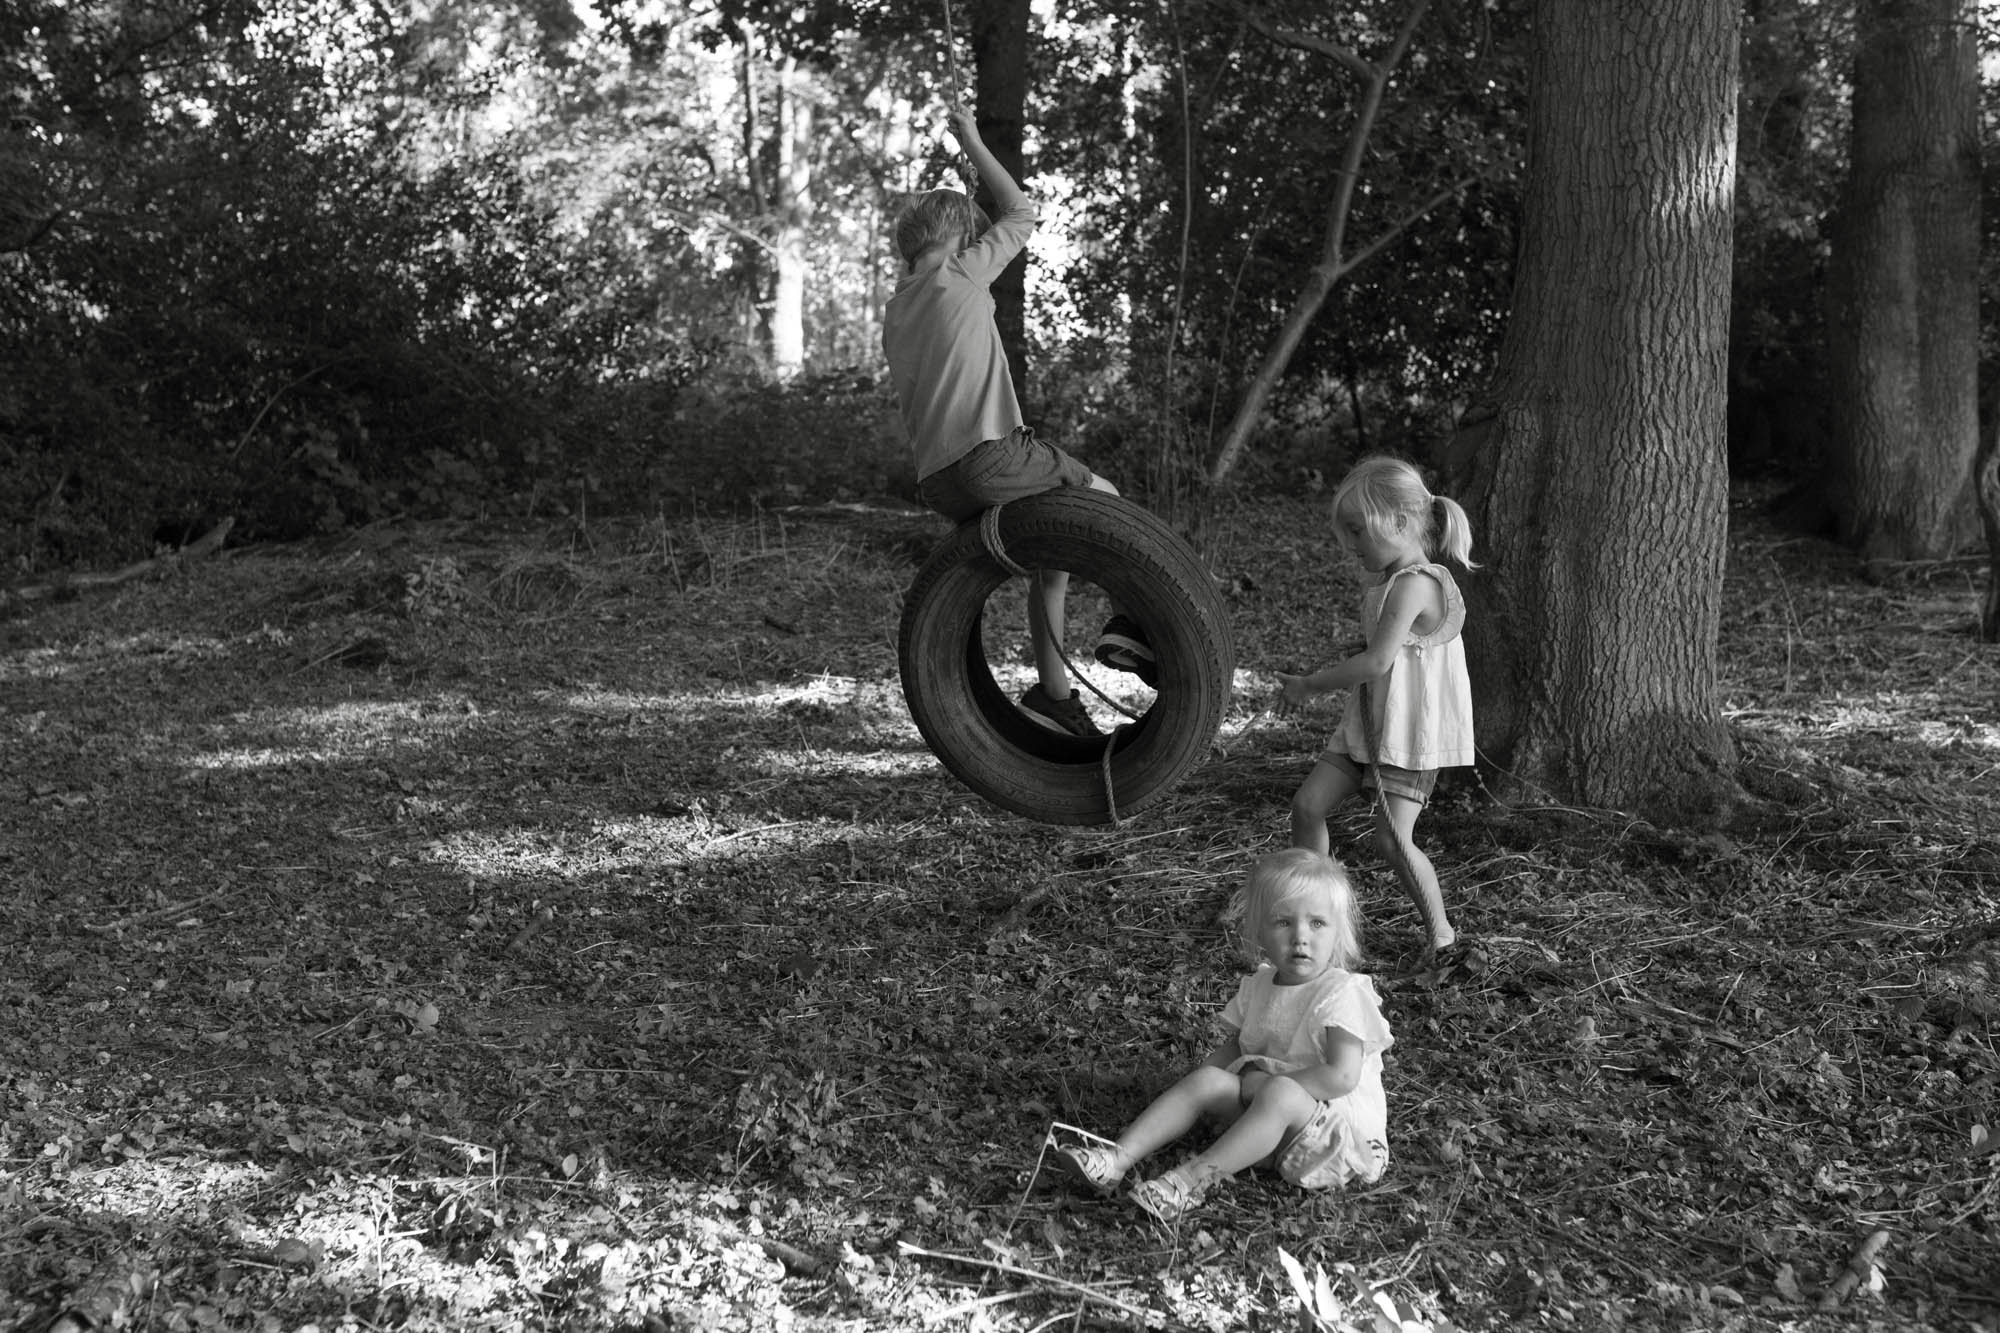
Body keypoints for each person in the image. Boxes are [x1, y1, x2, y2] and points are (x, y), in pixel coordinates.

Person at [882, 104, 1154, 739]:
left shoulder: (897, 309)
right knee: (1105, 499)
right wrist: (972, 139)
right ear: (955, 235)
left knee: (1053, 560)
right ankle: (1132, 625)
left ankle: (1055, 697)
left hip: (939, 480)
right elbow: (1024, 211)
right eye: (972, 235)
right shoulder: (959, 275)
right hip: (988, 456)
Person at [1051, 849, 1392, 1222]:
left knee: (1279, 1093)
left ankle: (1189, 1183)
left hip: (1340, 1142)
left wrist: (1265, 1085)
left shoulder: (1341, 992)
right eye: (1283, 922)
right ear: (1259, 929)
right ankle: (1116, 1159)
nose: (1300, 937)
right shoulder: (1260, 985)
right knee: (1209, 1079)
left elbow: (1341, 1076)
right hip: (1275, 1126)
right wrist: (1202, 1089)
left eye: (1317, 924)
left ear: (1338, 932)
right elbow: (1237, 1048)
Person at [1275, 456, 1476, 967]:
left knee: (1393, 839)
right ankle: (1314, 919)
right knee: (1307, 807)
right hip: (1365, 727)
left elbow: (1378, 660)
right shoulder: (1388, 582)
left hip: (1408, 736)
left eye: (1357, 531)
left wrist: (1309, 685)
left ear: (1400, 523)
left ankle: (1443, 937)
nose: (1350, 545)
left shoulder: (1417, 583)